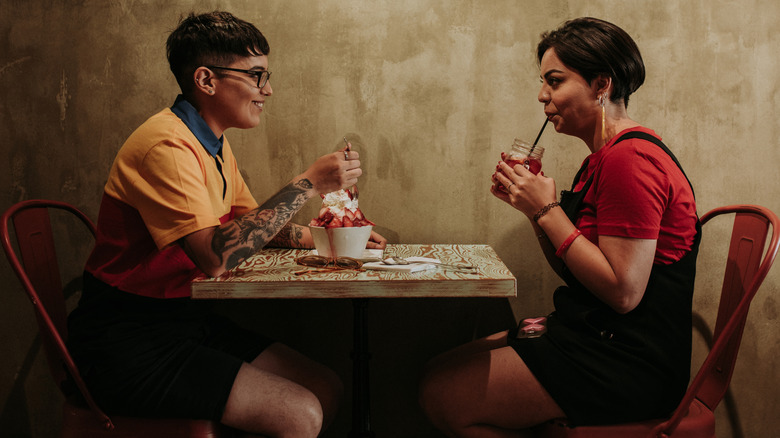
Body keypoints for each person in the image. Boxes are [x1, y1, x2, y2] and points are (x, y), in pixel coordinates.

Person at [67, 11, 386, 438]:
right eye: (255, 76)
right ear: (206, 80)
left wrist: (330, 238)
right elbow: (216, 257)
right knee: (300, 414)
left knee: (325, 386)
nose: (267, 90)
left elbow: (250, 226)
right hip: (126, 341)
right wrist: (308, 183)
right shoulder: (167, 146)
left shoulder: (210, 141)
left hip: (185, 321)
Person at [419, 17, 698, 437]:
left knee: (442, 395)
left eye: (555, 81)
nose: (542, 95)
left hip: (628, 360)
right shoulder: (601, 159)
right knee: (438, 369)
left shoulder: (631, 160)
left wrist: (548, 209)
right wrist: (534, 212)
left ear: (601, 84)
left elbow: (623, 293)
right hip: (596, 334)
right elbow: (579, 272)